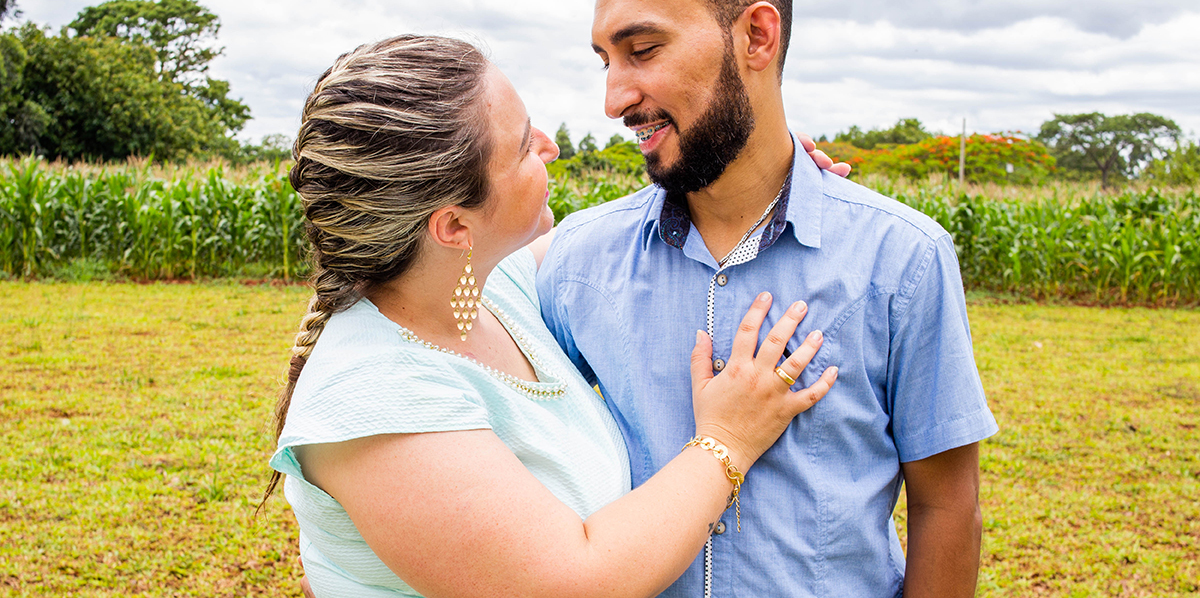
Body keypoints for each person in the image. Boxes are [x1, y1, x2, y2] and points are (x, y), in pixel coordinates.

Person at [264, 34, 842, 597]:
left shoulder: (488, 288)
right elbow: (577, 580)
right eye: (522, 147)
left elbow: (609, 238)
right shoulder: (376, 394)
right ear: (455, 226)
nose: (550, 146)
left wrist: (754, 166)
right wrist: (727, 440)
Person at [537, 0, 999, 598]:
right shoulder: (574, 262)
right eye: (605, 60)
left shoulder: (902, 258)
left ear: (757, 35)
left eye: (644, 50)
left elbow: (946, 505)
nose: (614, 98)